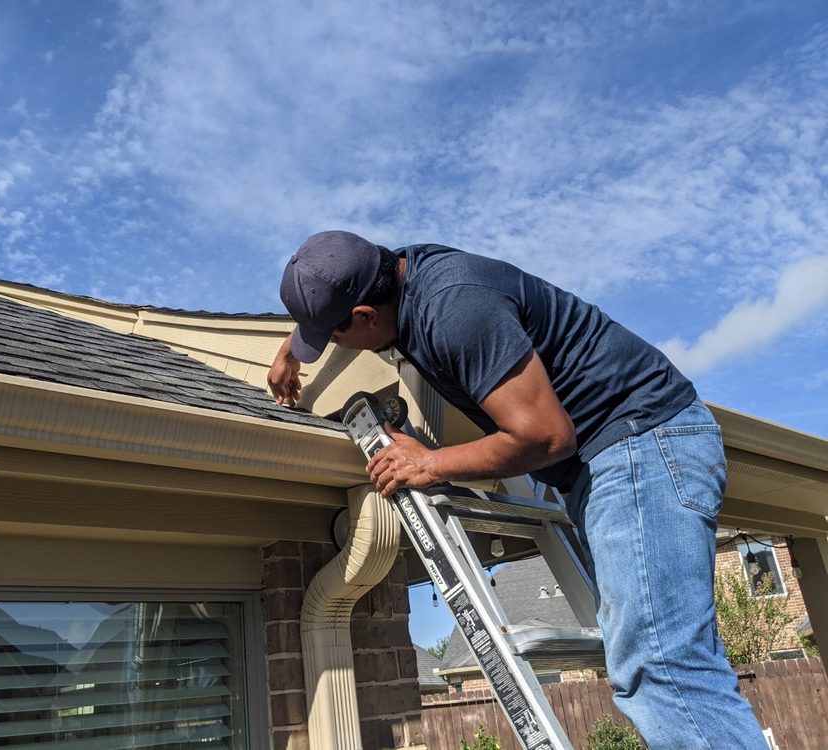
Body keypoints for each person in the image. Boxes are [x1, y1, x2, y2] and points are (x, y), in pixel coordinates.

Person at [268, 230, 768, 749]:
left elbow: (544, 436)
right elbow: (342, 291)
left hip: (639, 446)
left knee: (660, 666)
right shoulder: (396, 273)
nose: (331, 346)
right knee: (675, 660)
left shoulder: (454, 309)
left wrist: (431, 463)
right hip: (620, 456)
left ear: (368, 316)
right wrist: (291, 353)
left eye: (331, 336)